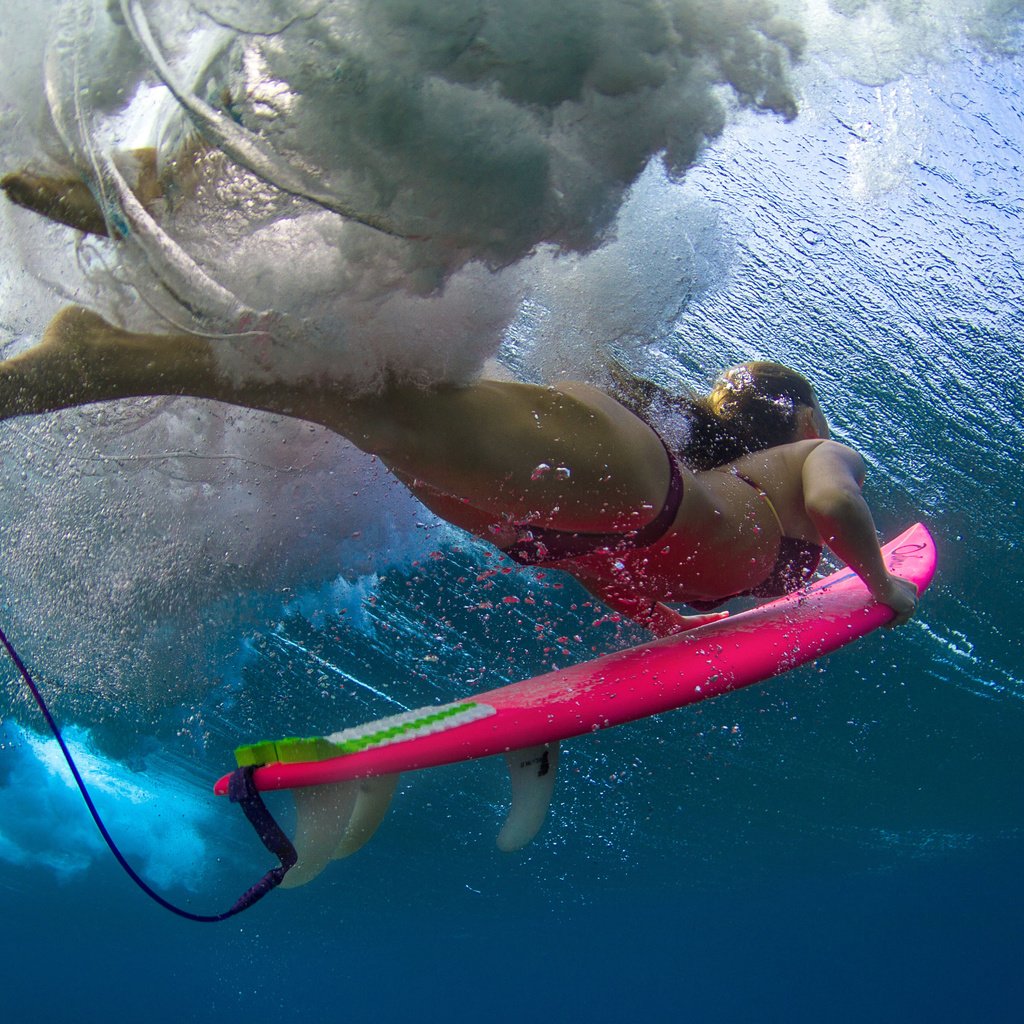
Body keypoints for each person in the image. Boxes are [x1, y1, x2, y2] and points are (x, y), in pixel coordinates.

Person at [0, 304, 919, 636]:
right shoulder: (817, 455)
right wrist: (880, 586)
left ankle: (195, 299)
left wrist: (661, 623)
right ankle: (105, 351)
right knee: (360, 403)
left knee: (368, 410)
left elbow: (627, 570)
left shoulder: (752, 483)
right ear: (803, 414)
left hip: (574, 529)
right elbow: (839, 498)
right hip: (620, 489)